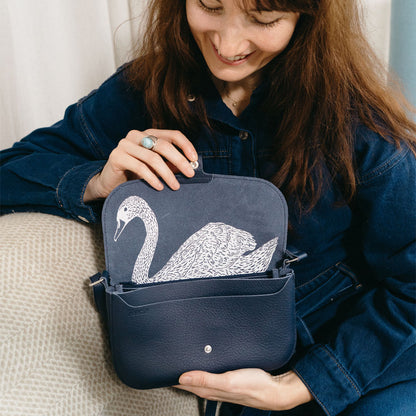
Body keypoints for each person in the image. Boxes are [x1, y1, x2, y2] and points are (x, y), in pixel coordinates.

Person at [1, 0, 415, 415]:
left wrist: (300, 385)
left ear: (307, 18)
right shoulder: (141, 91)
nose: (228, 44)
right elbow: (11, 170)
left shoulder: (362, 126)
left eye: (264, 19)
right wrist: (96, 180)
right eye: (210, 5)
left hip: (368, 372)